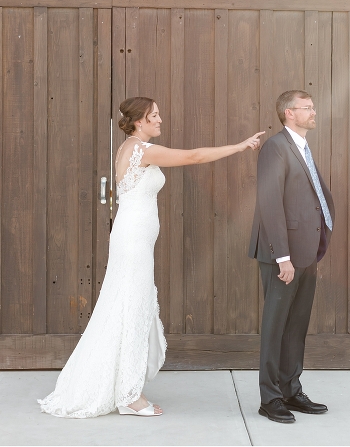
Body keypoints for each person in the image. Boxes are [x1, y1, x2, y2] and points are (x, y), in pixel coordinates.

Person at [39, 97, 264, 418]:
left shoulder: (131, 148)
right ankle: (129, 395)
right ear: (139, 121)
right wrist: (241, 146)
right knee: (131, 306)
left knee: (127, 304)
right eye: (154, 115)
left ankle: (123, 387)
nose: (160, 120)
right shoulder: (142, 150)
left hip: (133, 237)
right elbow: (195, 156)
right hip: (132, 240)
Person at [248, 90, 335, 424]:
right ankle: (270, 398)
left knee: (296, 325)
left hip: (307, 252)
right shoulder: (275, 148)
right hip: (282, 256)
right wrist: (282, 256)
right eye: (307, 108)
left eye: (313, 106)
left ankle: (290, 389)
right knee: (275, 326)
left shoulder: (301, 147)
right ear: (288, 113)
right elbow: (270, 204)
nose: (314, 112)